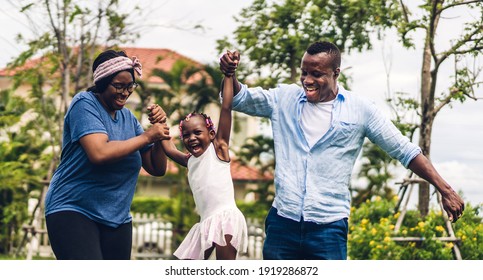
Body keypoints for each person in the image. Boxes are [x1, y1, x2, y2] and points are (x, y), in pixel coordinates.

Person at [219, 41, 465, 260]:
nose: (307, 80)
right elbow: (240, 98)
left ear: (336, 73)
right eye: (304, 72)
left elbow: (405, 150)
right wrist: (230, 74)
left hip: (328, 228)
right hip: (283, 223)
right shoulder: (284, 98)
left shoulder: (360, 110)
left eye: (317, 74)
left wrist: (445, 189)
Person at [44, 50, 170, 260]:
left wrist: (160, 130)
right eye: (118, 86)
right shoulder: (84, 104)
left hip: (117, 218)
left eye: (130, 86)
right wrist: (148, 137)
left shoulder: (128, 118)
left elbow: (157, 168)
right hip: (73, 208)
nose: (125, 92)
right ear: (102, 83)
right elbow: (99, 153)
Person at [159, 51, 248, 260]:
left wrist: (228, 75)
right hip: (205, 223)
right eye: (186, 135)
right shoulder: (189, 161)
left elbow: (226, 107)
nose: (191, 138)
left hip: (225, 218)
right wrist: (159, 123)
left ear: (211, 134)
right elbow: (169, 149)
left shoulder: (219, 149)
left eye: (197, 133)